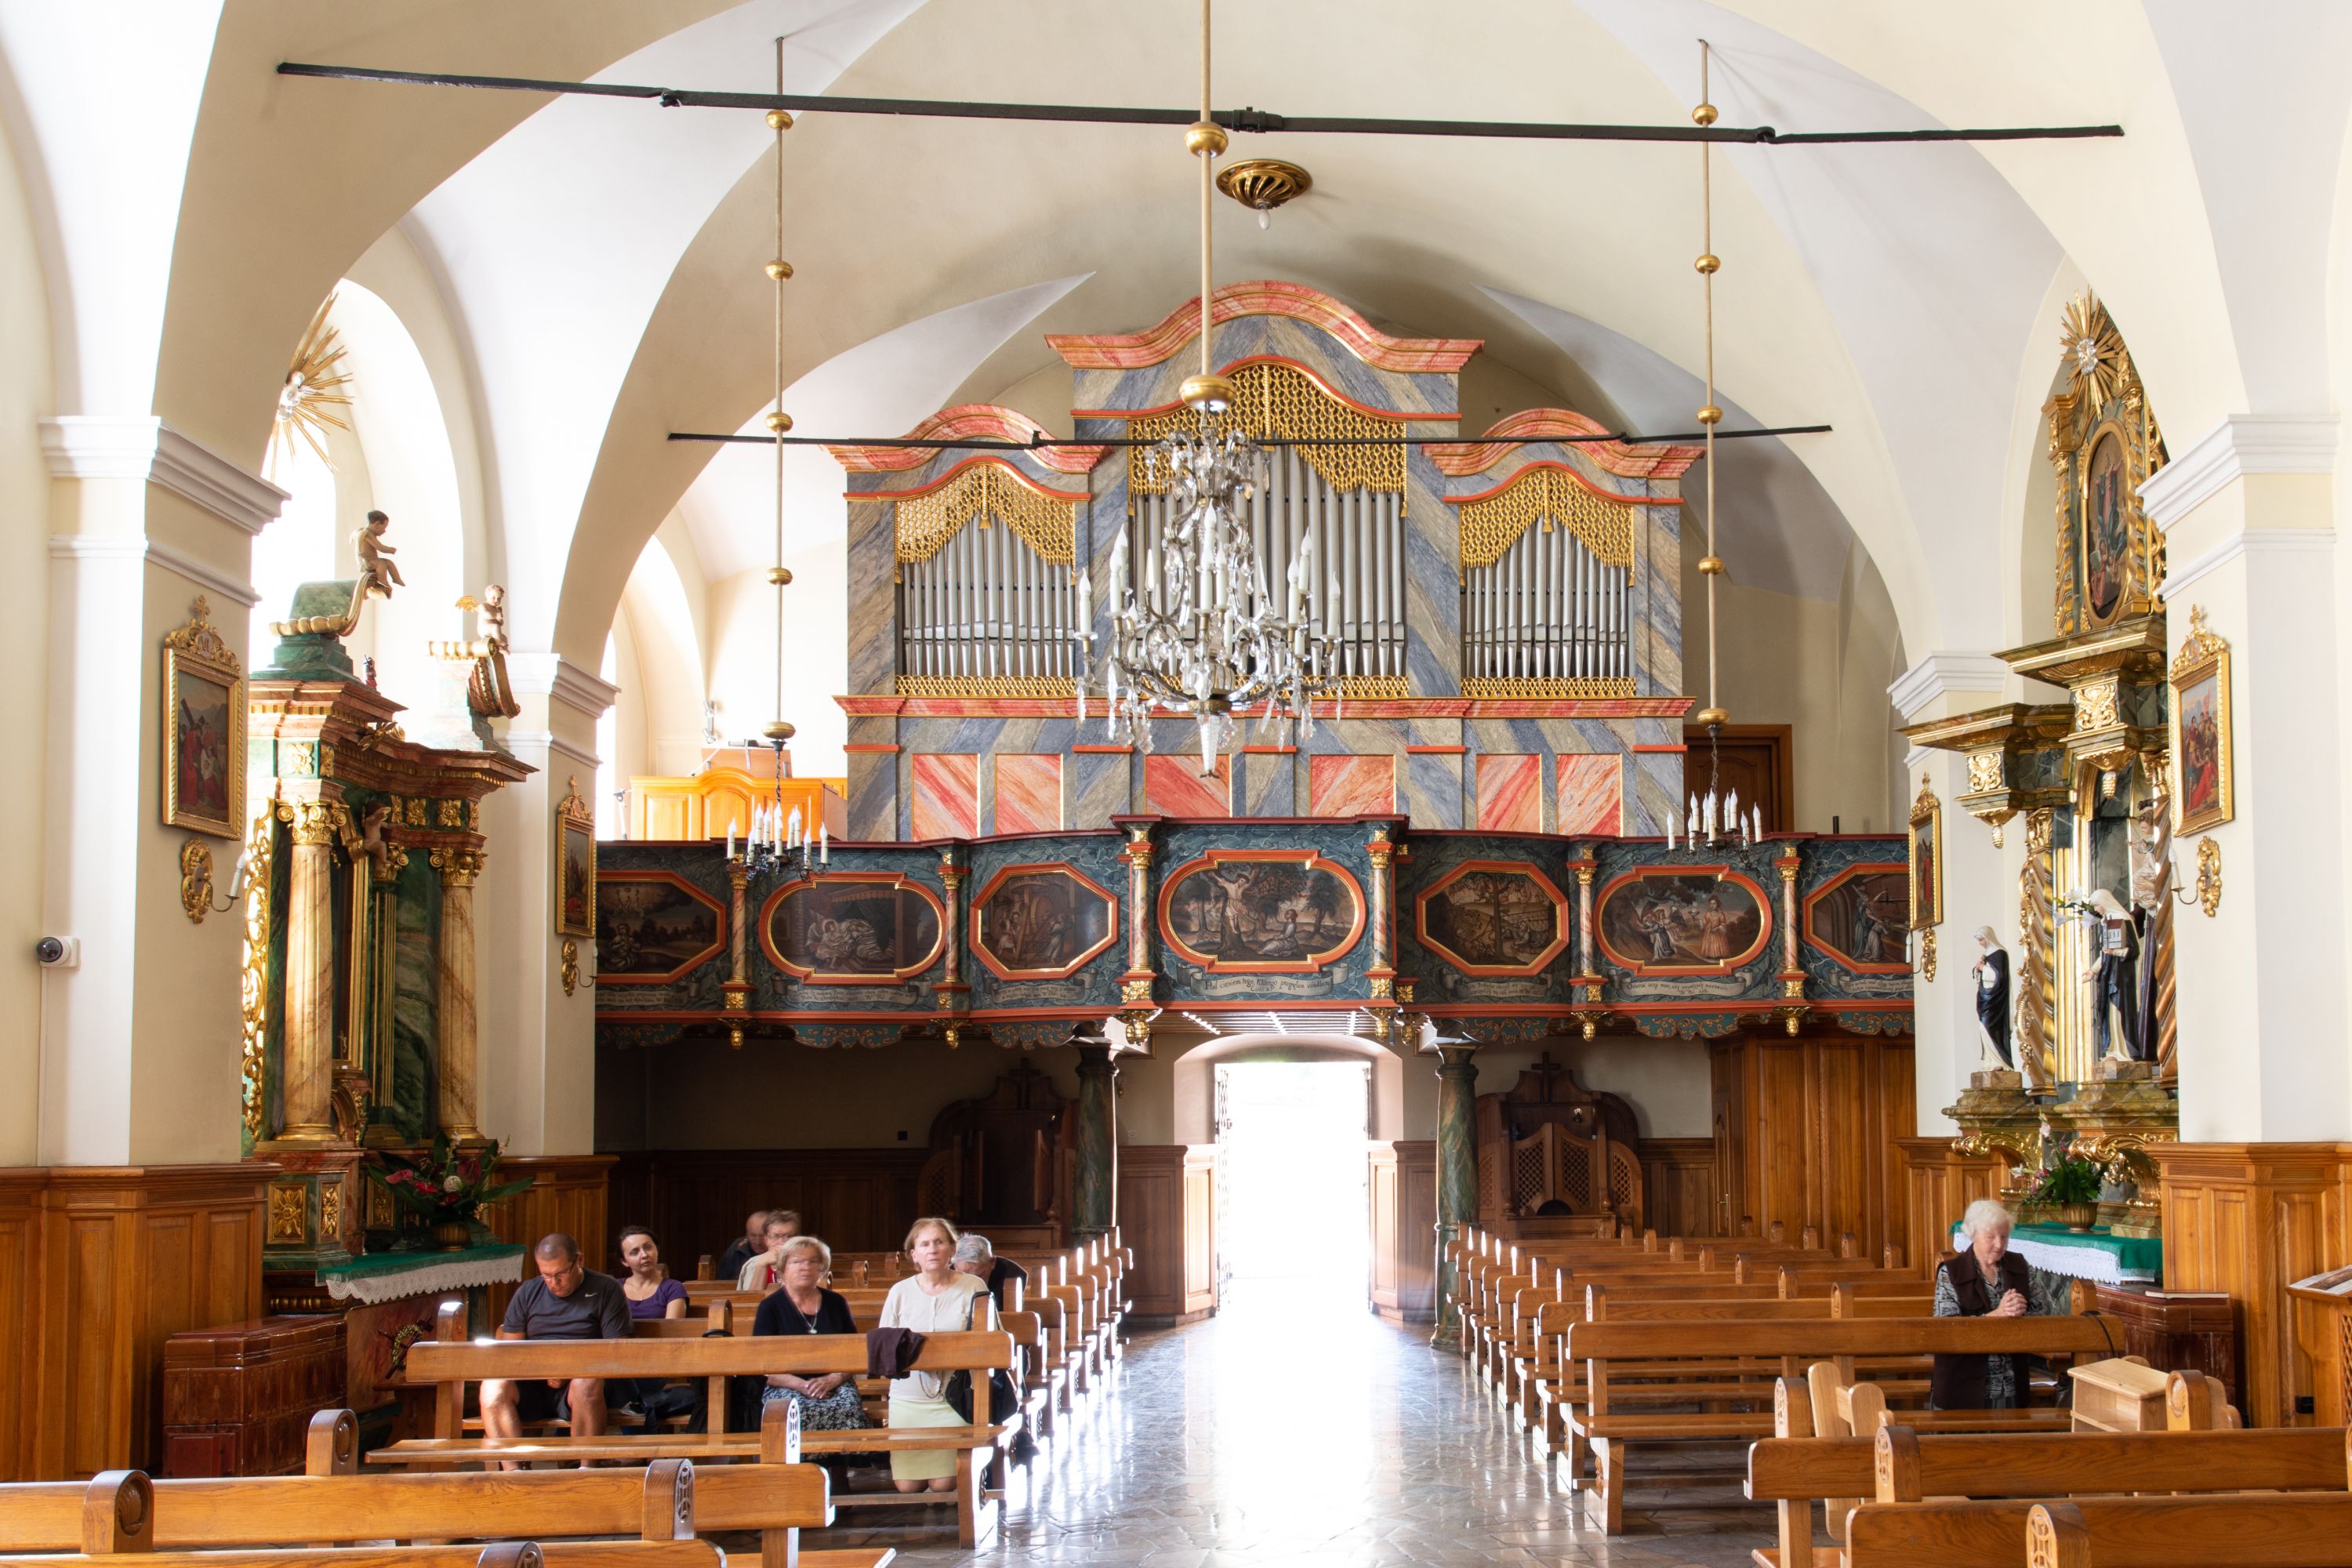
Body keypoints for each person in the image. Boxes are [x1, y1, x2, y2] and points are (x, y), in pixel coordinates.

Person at [481, 1233, 630, 1461]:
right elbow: (510, 1353)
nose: (554, 1282)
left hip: (583, 1381)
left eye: (561, 1273)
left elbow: (617, 1350)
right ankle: (513, 1471)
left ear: (579, 1260)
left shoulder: (606, 1289)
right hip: (533, 1382)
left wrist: (568, 1370)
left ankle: (585, 1469)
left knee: (586, 1382)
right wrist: (543, 1371)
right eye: (546, 1275)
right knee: (492, 1386)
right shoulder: (528, 1292)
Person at [878, 1216, 989, 1494]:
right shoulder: (900, 1292)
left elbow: (990, 1341)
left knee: (944, 1483)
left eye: (939, 1242)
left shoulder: (974, 1286)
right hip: (909, 1398)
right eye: (925, 1244)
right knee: (907, 1487)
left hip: (956, 1397)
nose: (933, 1250)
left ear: (952, 1249)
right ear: (914, 1254)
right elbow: (884, 1347)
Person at [1929, 1200, 2070, 1410]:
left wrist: (2021, 1312)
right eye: (1991, 1237)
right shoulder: (1951, 1272)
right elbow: (1947, 1332)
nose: (1999, 1244)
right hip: (1963, 1385)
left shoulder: (2019, 1266)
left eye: (2004, 1237)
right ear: (1972, 1234)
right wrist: (1998, 1314)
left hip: (2011, 1383)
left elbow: (2041, 1317)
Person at [752, 1236, 869, 1432]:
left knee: (847, 1406)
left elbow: (854, 1354)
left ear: (821, 1268)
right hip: (785, 1385)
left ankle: (842, 1453)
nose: (805, 1267)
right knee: (797, 1410)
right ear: (783, 1268)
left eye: (812, 1261)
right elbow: (762, 1367)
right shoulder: (770, 1307)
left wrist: (833, 1379)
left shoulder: (837, 1303)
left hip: (834, 1382)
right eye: (797, 1262)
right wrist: (802, 1385)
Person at [618, 1226, 688, 1320]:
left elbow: (672, 1328)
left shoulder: (673, 1288)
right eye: (635, 1252)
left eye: (648, 1248)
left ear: (657, 1250)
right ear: (624, 1261)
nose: (644, 1255)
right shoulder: (614, 1288)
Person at [953, 1232, 1029, 1308]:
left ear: (992, 1262)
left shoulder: (1012, 1275)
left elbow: (1008, 1314)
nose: (968, 1284)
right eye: (961, 1275)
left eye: (978, 1277)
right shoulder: (947, 1269)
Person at [736, 1210, 804, 1294]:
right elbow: (748, 1300)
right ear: (767, 1239)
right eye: (776, 1236)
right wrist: (761, 1266)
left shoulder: (809, 1263)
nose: (782, 1242)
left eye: (788, 1236)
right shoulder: (752, 1264)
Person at [717, 1210, 770, 1281]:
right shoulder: (738, 1248)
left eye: (762, 1236)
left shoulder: (781, 1249)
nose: (758, 1242)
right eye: (753, 1236)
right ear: (747, 1234)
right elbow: (722, 1280)